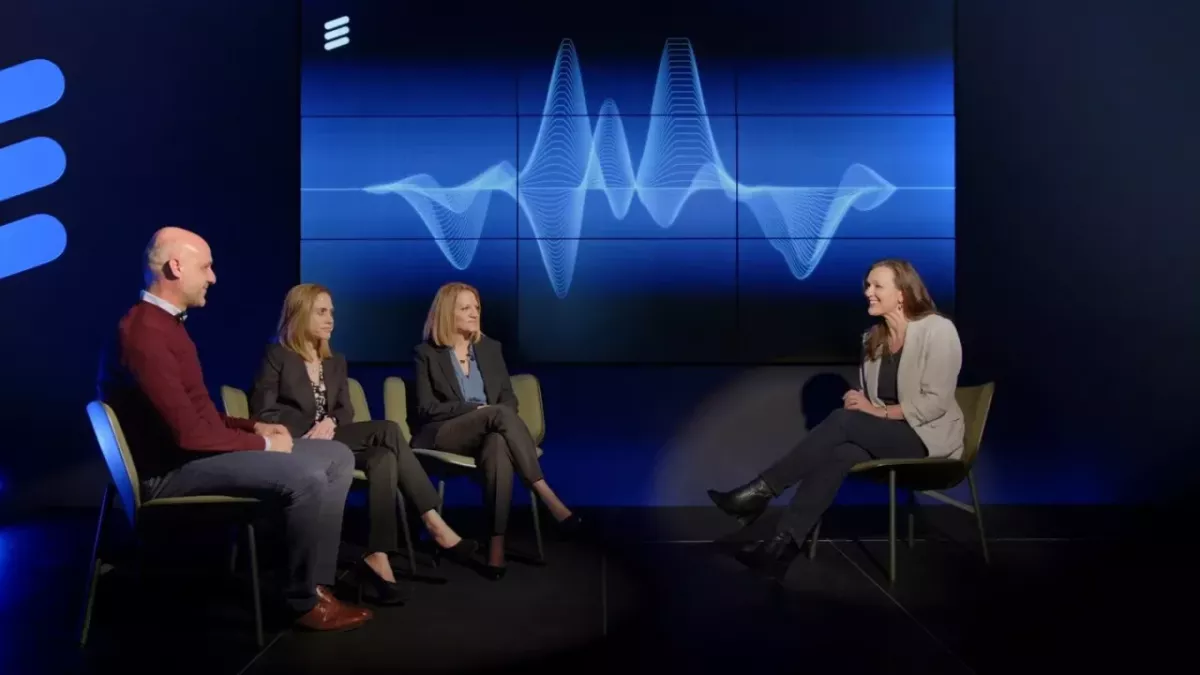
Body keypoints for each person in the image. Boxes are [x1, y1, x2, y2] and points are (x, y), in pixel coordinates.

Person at [97, 227, 372, 631]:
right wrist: (261, 443)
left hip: (189, 457)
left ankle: (314, 583)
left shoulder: (166, 326)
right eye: (205, 267)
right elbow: (189, 435)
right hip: (169, 473)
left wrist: (254, 424)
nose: (213, 277)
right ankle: (300, 600)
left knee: (337, 455)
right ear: (176, 267)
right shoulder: (144, 333)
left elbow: (199, 414)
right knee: (308, 475)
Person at [707, 259, 965, 578]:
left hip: (926, 437)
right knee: (840, 453)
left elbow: (935, 403)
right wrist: (862, 400)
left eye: (877, 286)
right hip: (886, 433)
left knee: (843, 421)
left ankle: (758, 493)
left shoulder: (937, 330)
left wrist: (876, 411)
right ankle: (781, 547)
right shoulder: (872, 339)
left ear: (902, 293)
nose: (868, 292)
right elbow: (878, 395)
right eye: (866, 285)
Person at [249, 283, 478, 604]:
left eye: (332, 312)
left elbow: (344, 409)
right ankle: (433, 521)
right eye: (322, 312)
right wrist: (311, 429)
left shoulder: (334, 361)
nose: (331, 319)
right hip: (296, 444)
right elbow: (263, 412)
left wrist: (330, 422)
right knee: (386, 430)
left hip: (332, 442)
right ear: (299, 314)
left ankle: (378, 556)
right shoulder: (277, 356)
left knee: (384, 456)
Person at [411, 282, 580, 579]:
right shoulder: (427, 353)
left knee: (498, 445)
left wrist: (489, 415)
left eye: (476, 307)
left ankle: (496, 548)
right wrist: (474, 411)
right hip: (443, 434)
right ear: (448, 313)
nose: (474, 313)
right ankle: (544, 492)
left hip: (490, 429)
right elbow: (427, 409)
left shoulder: (490, 349)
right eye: (465, 308)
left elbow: (508, 399)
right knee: (497, 415)